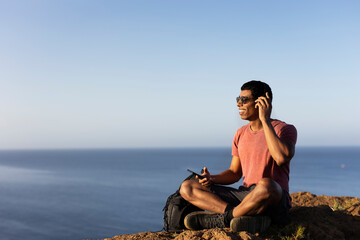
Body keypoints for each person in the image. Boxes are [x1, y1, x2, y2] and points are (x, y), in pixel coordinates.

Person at [179, 80, 297, 233]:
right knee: (188, 187)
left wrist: (265, 121)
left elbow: (281, 157)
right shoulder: (240, 133)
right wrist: (211, 179)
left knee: (267, 185)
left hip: (271, 198)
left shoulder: (284, 129)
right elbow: (234, 173)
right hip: (245, 197)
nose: (238, 104)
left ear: (261, 102)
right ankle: (242, 217)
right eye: (238, 99)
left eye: (244, 100)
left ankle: (224, 218)